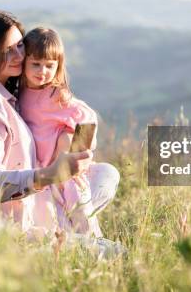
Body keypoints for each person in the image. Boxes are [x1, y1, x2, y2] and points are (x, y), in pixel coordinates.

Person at [0, 9, 119, 239]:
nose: (19, 56)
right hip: (9, 234)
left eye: (19, 46)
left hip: (38, 205)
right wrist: (49, 174)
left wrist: (72, 147)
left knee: (107, 174)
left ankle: (69, 228)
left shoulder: (10, 94)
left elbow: (82, 116)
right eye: (8, 50)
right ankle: (73, 233)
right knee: (115, 253)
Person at [19, 27, 119, 237]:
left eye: (49, 65)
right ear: (24, 62)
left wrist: (74, 150)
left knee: (83, 215)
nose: (42, 71)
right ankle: (72, 252)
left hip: (65, 172)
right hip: (40, 175)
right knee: (54, 223)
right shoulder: (18, 93)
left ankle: (97, 251)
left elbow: (87, 116)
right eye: (35, 64)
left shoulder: (56, 94)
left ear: (58, 66)